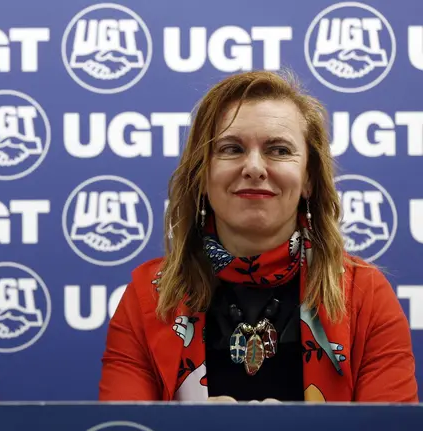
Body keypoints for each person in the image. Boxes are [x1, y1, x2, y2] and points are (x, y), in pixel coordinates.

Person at [98, 70, 418, 403]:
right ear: (203, 177)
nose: (253, 167)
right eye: (231, 148)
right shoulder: (148, 297)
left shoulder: (364, 295)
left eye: (279, 150)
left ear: (308, 179)